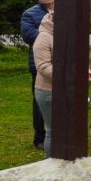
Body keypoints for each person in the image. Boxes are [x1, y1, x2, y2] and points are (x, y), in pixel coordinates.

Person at [20, 0, 54, 150]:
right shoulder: (30, 14)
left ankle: (58, 133)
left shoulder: (64, 11)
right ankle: (40, 137)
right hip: (40, 65)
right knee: (41, 102)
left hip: (62, 63)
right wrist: (49, 37)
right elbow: (28, 35)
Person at [31, 12, 55, 156]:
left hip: (67, 89)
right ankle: (51, 163)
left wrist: (86, 71)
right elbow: (43, 67)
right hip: (48, 91)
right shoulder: (43, 38)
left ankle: (65, 164)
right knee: (53, 130)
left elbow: (76, 57)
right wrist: (70, 78)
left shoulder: (67, 34)